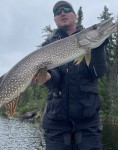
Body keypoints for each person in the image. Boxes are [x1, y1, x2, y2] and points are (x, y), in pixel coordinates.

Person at [33, 1, 109, 150]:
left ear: (74, 15)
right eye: (57, 12)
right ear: (54, 19)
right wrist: (47, 78)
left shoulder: (89, 41)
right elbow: (54, 79)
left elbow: (98, 72)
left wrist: (99, 47)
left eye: (67, 9)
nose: (62, 12)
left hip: (88, 123)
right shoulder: (48, 45)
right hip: (56, 124)